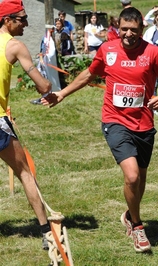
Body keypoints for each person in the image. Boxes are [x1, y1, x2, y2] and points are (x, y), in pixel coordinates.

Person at [42, 7, 158, 253]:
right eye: (124, 29)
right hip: (114, 120)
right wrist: (62, 93)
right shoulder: (107, 50)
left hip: (144, 124)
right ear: (119, 28)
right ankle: (138, 228)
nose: (128, 34)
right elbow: (88, 74)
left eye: (134, 30)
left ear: (141, 29)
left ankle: (130, 214)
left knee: (139, 181)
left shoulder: (153, 52)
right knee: (131, 176)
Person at [0, 0, 53, 250]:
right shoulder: (15, 46)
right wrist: (48, 87)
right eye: (21, 19)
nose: (26, 23)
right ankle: (47, 231)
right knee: (25, 173)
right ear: (6, 20)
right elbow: (42, 86)